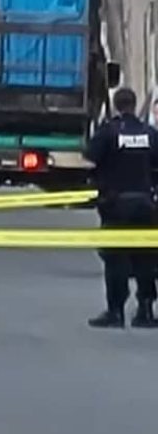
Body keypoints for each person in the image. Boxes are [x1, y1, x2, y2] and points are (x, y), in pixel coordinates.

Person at [85, 87, 158, 328]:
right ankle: (145, 310)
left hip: (116, 204)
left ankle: (115, 311)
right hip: (146, 204)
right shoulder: (149, 133)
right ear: (134, 105)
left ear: (117, 106)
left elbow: (90, 157)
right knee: (146, 258)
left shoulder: (109, 132)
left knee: (115, 259)